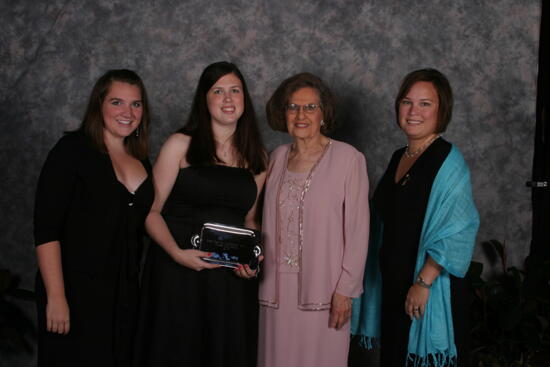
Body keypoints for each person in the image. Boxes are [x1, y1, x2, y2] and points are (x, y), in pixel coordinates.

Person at [134, 61, 267, 367]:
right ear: (204, 100)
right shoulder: (180, 145)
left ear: (245, 98)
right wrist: (177, 253)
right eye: (218, 91)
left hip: (228, 280)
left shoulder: (257, 156)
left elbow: (250, 221)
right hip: (177, 271)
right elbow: (151, 211)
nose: (228, 98)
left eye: (235, 90)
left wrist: (253, 259)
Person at [351, 68, 480, 367]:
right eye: (407, 102)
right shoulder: (400, 156)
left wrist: (423, 283)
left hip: (426, 286)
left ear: (441, 109)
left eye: (425, 104)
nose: (413, 111)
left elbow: (458, 231)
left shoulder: (449, 161)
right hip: (393, 285)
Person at [34, 69, 154, 366]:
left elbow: (153, 223)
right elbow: (47, 230)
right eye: (117, 102)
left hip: (124, 296)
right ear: (98, 105)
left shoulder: (142, 160)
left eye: (136, 104)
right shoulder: (72, 151)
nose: (127, 112)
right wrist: (57, 297)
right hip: (75, 292)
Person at [258, 72, 370, 367]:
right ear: (283, 114)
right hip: (276, 290)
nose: (300, 115)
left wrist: (345, 290)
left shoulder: (348, 158)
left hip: (326, 290)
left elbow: (359, 231)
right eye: (292, 107)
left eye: (310, 107)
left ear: (324, 113)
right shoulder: (276, 158)